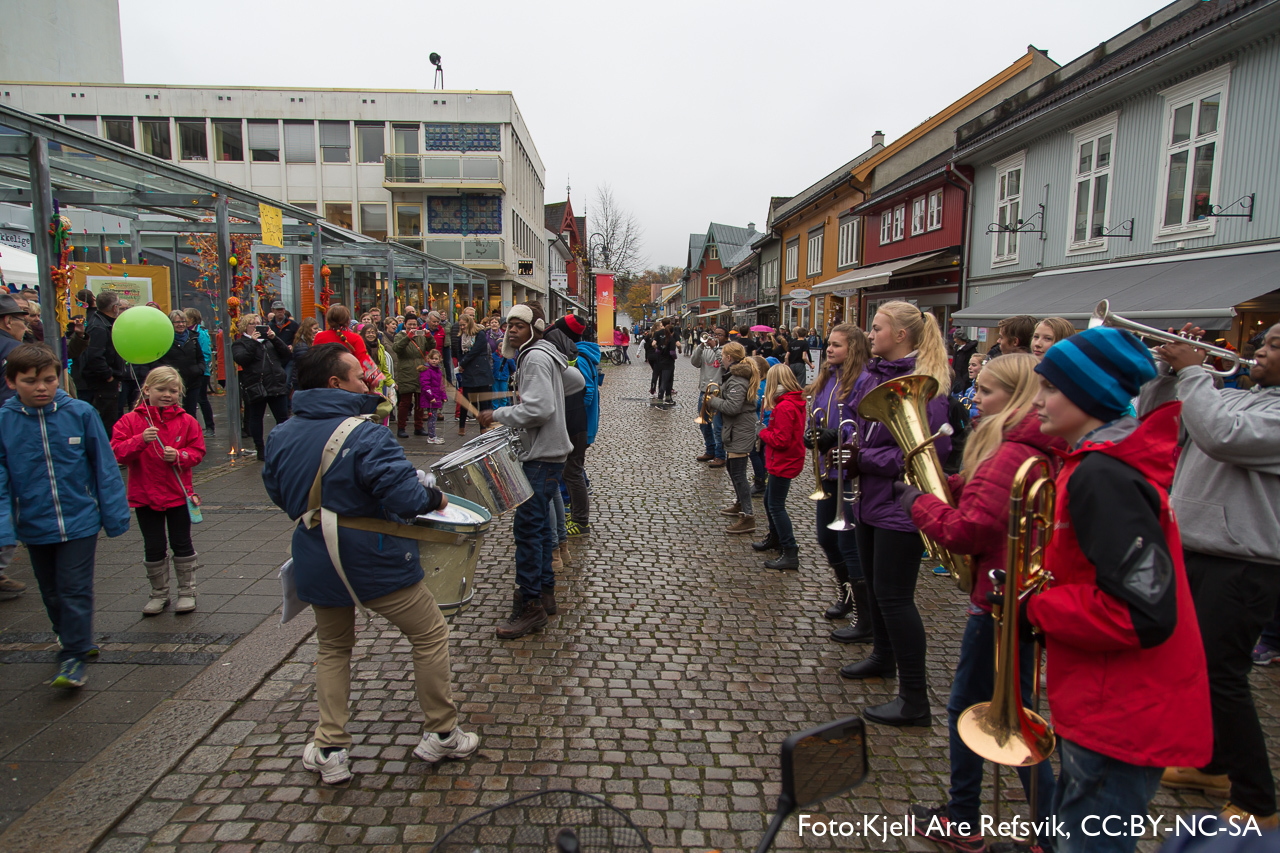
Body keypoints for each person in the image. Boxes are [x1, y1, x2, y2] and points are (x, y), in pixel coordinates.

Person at [1024, 326, 1211, 853]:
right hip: (1110, 698)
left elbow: (1142, 612)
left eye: (1052, 389)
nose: (1037, 401)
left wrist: (1036, 605)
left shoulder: (1103, 476)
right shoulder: (1095, 463)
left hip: (1120, 708)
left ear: (1091, 397)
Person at [261, 343, 479, 784]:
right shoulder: (368, 434)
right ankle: (442, 732)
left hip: (315, 553)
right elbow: (404, 498)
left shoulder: (280, 434)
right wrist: (432, 496)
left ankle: (329, 747)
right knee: (430, 632)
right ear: (335, 384)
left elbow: (280, 494)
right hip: (373, 556)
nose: (368, 381)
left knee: (333, 647)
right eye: (360, 375)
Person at [903, 354, 1062, 852]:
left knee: (972, 711)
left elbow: (968, 531)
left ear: (1015, 396)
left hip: (996, 603)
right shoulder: (1031, 445)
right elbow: (986, 502)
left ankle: (966, 818)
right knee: (1017, 714)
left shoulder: (1012, 453)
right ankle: (1046, 830)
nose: (977, 399)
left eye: (988, 391)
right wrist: (950, 486)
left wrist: (919, 503)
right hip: (1017, 598)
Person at [1141, 321, 1280, 828]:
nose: (1258, 350)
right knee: (1193, 668)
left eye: (1273, 344)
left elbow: (1222, 438)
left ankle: (1259, 801)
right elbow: (1160, 421)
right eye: (1263, 342)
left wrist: (1196, 372)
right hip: (1197, 546)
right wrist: (1167, 373)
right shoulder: (1244, 396)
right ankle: (1212, 765)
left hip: (1244, 561)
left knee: (1224, 677)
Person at [842, 301, 952, 728]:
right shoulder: (874, 372)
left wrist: (863, 458)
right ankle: (883, 658)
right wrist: (847, 441)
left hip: (901, 505)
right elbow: (858, 418)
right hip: (871, 499)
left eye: (877, 328)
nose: (870, 334)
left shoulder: (926, 384)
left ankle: (914, 699)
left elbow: (929, 451)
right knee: (875, 585)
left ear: (901, 335)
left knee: (895, 597)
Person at [0, 344, 130, 688]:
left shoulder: (81, 413)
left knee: (74, 588)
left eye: (49, 379)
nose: (42, 387)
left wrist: (114, 514)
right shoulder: (4, 421)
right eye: (31, 381)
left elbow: (104, 466)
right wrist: (4, 528)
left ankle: (72, 656)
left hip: (79, 520)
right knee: (51, 591)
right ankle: (73, 637)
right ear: (12, 382)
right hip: (34, 522)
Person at [478, 302, 583, 639]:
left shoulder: (536, 357)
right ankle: (546, 595)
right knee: (537, 530)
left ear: (535, 327)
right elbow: (575, 380)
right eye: (508, 324)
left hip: (542, 456)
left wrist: (500, 415)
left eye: (518, 325)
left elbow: (539, 409)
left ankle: (530, 607)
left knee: (527, 531)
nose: (511, 329)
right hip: (549, 453)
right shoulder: (545, 353)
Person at [110, 365, 206, 616]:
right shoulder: (130, 421)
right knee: (153, 545)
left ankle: (186, 591)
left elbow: (197, 452)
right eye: (161, 389)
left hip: (177, 494)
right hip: (144, 495)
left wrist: (180, 455)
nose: (167, 395)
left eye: (173, 391)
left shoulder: (187, 421)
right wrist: (140, 440)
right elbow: (116, 452)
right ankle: (159, 593)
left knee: (182, 542)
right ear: (147, 390)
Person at [800, 323, 873, 638]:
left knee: (847, 542)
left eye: (837, 345)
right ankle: (846, 594)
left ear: (853, 349)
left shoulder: (862, 381)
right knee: (825, 538)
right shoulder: (826, 378)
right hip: (826, 470)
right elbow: (816, 414)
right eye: (829, 344)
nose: (829, 349)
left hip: (849, 472)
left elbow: (861, 424)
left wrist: (837, 435)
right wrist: (812, 434)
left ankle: (863, 613)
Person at [704, 341, 759, 535]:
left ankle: (748, 516)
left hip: (740, 429)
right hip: (737, 428)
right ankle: (739, 504)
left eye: (723, 356)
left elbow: (733, 407)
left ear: (728, 358)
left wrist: (713, 400)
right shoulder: (736, 376)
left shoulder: (737, 379)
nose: (721, 359)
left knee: (738, 473)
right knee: (732, 468)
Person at [756, 363, 806, 570]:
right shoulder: (789, 401)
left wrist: (763, 431)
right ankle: (775, 538)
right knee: (770, 501)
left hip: (784, 461)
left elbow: (781, 440)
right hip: (782, 460)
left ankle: (789, 548)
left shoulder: (785, 406)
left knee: (776, 505)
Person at [232, 313, 291, 460]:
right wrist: (253, 342)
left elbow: (286, 354)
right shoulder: (240, 343)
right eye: (253, 324)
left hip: (275, 383)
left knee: (283, 418)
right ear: (245, 327)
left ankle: (283, 446)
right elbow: (242, 359)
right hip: (256, 385)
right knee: (256, 418)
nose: (257, 326)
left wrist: (274, 338)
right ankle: (260, 448)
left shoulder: (268, 340)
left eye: (259, 323)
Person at [79, 290, 127, 434]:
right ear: (114, 308)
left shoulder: (103, 322)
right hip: (102, 383)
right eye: (119, 305)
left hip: (107, 380)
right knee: (107, 422)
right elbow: (94, 356)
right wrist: (108, 375)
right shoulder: (98, 326)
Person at [314, 305, 379, 393]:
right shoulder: (355, 338)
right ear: (348, 320)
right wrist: (374, 381)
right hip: (350, 386)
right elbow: (364, 361)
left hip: (324, 385)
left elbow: (314, 362)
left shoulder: (319, 337)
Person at [691, 328, 728, 468]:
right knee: (704, 424)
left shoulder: (727, 350)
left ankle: (720, 455)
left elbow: (725, 365)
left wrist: (716, 348)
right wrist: (701, 346)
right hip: (704, 391)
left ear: (725, 337)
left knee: (718, 426)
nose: (716, 336)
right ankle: (710, 450)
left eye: (720, 334)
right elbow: (694, 362)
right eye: (715, 334)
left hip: (719, 392)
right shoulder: (705, 349)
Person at [159, 310, 206, 418]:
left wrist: (199, 370)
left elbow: (200, 357)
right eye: (177, 322)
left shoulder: (192, 338)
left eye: (183, 321)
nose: (181, 324)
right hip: (172, 382)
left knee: (190, 413)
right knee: (172, 412)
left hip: (193, 381)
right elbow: (159, 360)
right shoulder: (165, 339)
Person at [392, 315, 434, 438]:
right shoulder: (400, 335)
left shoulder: (420, 336)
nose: (412, 327)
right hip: (406, 372)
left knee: (421, 402)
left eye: (414, 324)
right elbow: (397, 348)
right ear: (404, 324)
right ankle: (401, 427)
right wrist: (407, 337)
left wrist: (429, 337)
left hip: (420, 372)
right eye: (409, 324)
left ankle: (419, 427)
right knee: (405, 402)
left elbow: (432, 347)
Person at [455, 311, 493, 436]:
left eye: (464, 325)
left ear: (469, 323)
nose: (462, 327)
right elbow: (458, 351)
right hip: (468, 371)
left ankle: (483, 427)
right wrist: (461, 363)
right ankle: (461, 426)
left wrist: (463, 363)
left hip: (480, 369)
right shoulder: (460, 336)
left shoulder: (480, 334)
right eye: (460, 325)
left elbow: (476, 350)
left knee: (483, 401)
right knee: (465, 400)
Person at [185, 308, 216, 433]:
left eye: (185, 317)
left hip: (201, 373)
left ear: (192, 319)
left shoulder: (201, 333)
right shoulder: (185, 332)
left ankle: (209, 427)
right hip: (189, 372)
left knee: (201, 399)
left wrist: (200, 369)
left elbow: (206, 353)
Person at [361, 323, 397, 413]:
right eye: (368, 332)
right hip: (363, 384)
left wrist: (391, 383)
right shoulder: (360, 347)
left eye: (373, 332)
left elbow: (384, 369)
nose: (371, 334)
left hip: (377, 385)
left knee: (376, 412)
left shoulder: (380, 347)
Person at [418, 348, 447, 444]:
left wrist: (444, 396)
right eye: (432, 359)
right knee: (432, 418)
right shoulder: (427, 371)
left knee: (433, 418)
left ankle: (432, 435)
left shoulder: (438, 370)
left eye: (436, 359)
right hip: (431, 399)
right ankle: (431, 436)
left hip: (436, 397)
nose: (434, 361)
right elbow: (425, 386)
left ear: (439, 359)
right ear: (428, 359)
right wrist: (431, 397)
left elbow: (441, 384)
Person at [652, 319, 678, 406]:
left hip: (660, 362)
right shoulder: (671, 340)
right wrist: (675, 357)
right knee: (668, 380)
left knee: (662, 379)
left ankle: (661, 397)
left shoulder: (662, 340)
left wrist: (661, 353)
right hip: (669, 363)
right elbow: (672, 353)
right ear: (672, 332)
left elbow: (657, 351)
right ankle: (665, 398)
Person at [290, 316, 318, 394]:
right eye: (315, 329)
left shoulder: (306, 342)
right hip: (302, 380)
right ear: (308, 329)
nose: (316, 331)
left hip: (304, 379)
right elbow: (304, 362)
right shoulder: (301, 345)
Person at [950, 331, 979, 395]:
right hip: (956, 379)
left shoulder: (970, 350)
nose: (954, 340)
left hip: (964, 380)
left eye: (955, 338)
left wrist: (964, 379)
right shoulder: (956, 348)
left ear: (960, 339)